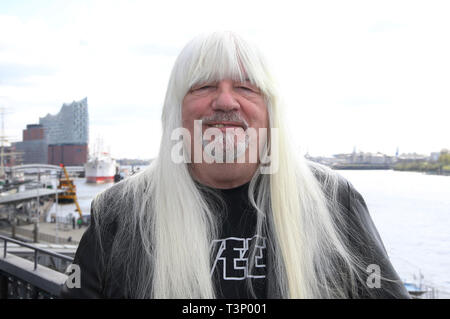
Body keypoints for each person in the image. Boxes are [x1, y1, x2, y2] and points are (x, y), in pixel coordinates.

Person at [60, 31, 410, 299]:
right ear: (176, 110)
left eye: (245, 87)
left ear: (271, 110)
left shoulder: (334, 200)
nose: (226, 101)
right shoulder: (119, 211)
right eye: (204, 85)